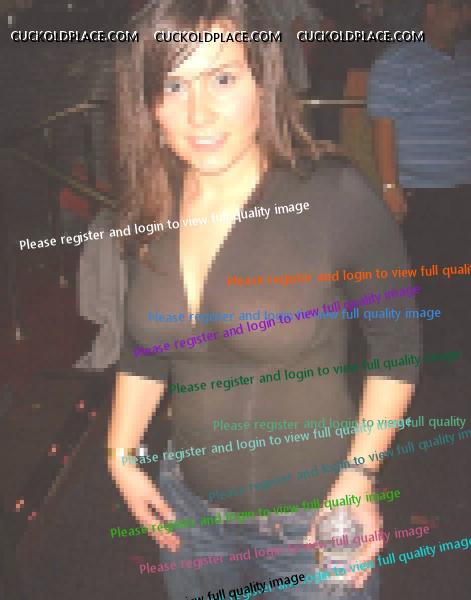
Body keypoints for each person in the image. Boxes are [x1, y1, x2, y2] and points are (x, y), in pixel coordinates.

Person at [99, 1, 419, 598]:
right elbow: (145, 347)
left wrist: (360, 475)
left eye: (223, 79)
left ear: (264, 82)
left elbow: (397, 346)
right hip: (188, 515)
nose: (199, 113)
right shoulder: (152, 204)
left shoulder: (334, 196)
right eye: (174, 85)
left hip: (313, 522)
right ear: (148, 103)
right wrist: (119, 454)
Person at [367, 0, 471, 362]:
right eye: (457, 9)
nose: (464, 17)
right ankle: (428, 359)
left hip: (464, 187)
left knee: (459, 278)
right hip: (422, 192)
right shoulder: (398, 63)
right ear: (431, 10)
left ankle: (453, 352)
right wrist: (390, 187)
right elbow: (383, 126)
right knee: (428, 281)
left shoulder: (466, 59)